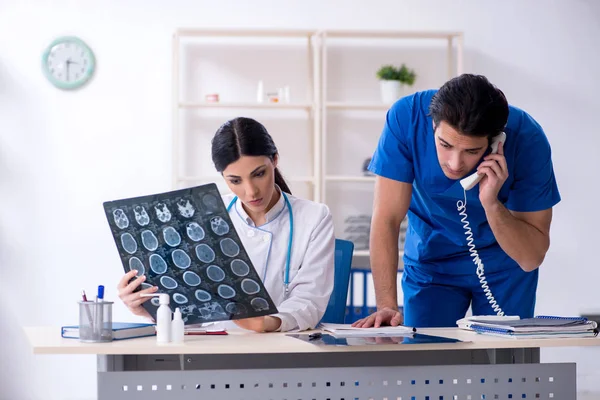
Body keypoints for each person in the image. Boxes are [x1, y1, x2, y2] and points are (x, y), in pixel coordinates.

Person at [353, 74, 561, 328]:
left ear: (496, 142)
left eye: (471, 151)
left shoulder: (528, 138)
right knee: (428, 359)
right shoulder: (407, 118)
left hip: (505, 265)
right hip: (431, 263)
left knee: (505, 365)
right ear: (432, 126)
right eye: (445, 144)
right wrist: (386, 305)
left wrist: (491, 202)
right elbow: (387, 218)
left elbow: (530, 258)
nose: (455, 163)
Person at [117, 117, 335, 332]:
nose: (251, 192)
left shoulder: (314, 217)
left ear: (275, 160)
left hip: (280, 347)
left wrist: (266, 323)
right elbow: (189, 309)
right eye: (235, 180)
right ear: (223, 176)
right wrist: (147, 308)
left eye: (259, 174)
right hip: (213, 348)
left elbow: (310, 300)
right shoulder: (200, 217)